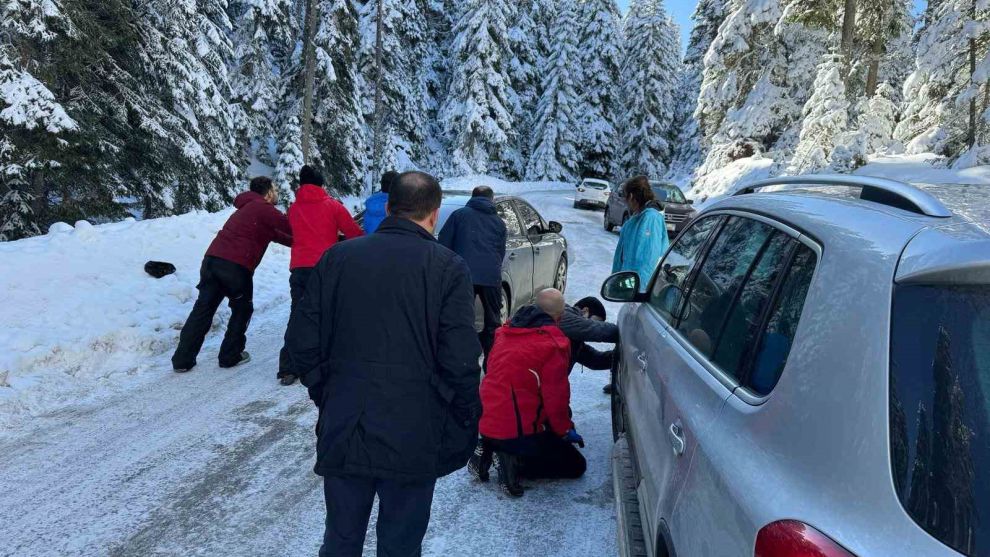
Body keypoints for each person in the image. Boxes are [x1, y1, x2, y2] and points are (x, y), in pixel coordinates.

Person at [287, 171, 481, 557]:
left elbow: (300, 343)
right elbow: (460, 359)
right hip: (414, 429)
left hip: (346, 422)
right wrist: (464, 415)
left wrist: (328, 391)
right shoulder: (449, 267)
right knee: (401, 545)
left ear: (388, 207)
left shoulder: (337, 258)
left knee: (341, 541)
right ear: (434, 215)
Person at [471, 289, 586, 498]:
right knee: (576, 465)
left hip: (486, 422)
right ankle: (513, 461)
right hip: (515, 431)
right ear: (558, 318)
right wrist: (565, 430)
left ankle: (489, 446)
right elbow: (556, 401)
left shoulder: (504, 334)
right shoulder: (552, 345)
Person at [172, 177, 292, 373]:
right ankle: (230, 355)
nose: (277, 194)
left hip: (211, 261)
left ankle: (182, 360)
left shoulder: (248, 210)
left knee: (203, 309)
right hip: (235, 267)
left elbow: (281, 236)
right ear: (269, 192)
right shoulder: (263, 208)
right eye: (275, 189)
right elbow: (292, 227)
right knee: (242, 309)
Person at [277, 165, 364, 386]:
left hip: (299, 268)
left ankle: (288, 367)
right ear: (322, 184)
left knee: (298, 314)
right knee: (330, 313)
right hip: (326, 267)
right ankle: (330, 362)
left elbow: (294, 232)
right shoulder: (333, 206)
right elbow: (354, 232)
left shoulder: (294, 208)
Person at [438, 185, 507, 369]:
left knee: (462, 318)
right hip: (491, 278)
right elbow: (501, 252)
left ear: (472, 197)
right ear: (491, 200)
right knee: (493, 320)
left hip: (463, 275)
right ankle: (491, 363)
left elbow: (444, 244)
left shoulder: (459, 216)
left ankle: (463, 361)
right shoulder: (499, 222)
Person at [611, 176, 670, 292]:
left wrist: (636, 290)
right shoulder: (638, 217)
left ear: (631, 196)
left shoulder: (650, 218)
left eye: (625, 197)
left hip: (639, 291)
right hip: (631, 288)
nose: (625, 202)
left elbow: (647, 262)